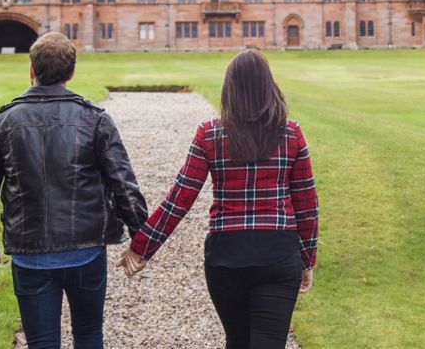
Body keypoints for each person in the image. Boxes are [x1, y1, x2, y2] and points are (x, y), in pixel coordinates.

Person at [117, 49, 319, 349]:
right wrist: (307, 259)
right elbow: (307, 207)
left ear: (230, 88)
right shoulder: (290, 134)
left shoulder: (210, 134)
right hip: (277, 253)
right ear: (268, 86)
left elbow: (180, 197)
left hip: (227, 255)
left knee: (237, 341)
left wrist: (143, 245)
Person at [0, 31, 148, 349]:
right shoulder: (95, 120)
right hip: (86, 251)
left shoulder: (1, 122)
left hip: (31, 253)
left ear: (31, 70)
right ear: (71, 73)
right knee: (89, 334)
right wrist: (142, 239)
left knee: (42, 342)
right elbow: (124, 184)